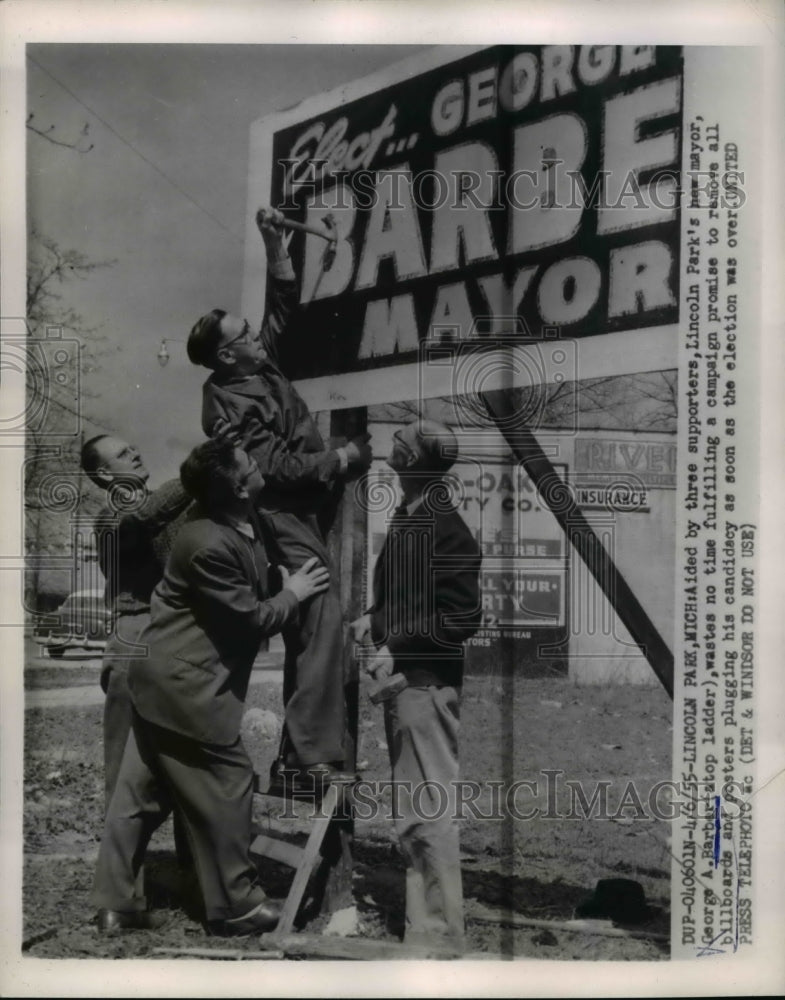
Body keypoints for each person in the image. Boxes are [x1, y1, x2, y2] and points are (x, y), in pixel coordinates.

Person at [92, 438, 330, 935]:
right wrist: (293, 593)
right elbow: (247, 616)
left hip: (157, 667)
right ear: (239, 487)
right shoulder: (171, 529)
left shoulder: (210, 525)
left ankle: (121, 903)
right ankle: (235, 905)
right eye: (246, 463)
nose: (134, 451)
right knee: (226, 782)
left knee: (137, 791)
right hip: (173, 671)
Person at [187, 207, 371, 782]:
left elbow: (282, 313)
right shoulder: (227, 401)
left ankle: (299, 755)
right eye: (244, 335)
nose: (256, 335)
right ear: (225, 355)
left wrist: (275, 246)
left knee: (316, 630)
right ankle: (310, 758)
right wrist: (339, 460)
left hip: (299, 514)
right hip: (278, 515)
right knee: (319, 618)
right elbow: (270, 467)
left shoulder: (254, 369)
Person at [350, 419, 482, 953]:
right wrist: (374, 619)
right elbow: (410, 600)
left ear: (414, 462)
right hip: (408, 682)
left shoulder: (444, 526)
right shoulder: (412, 517)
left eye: (402, 442)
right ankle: (427, 927)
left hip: (425, 685)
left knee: (426, 811)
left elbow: (463, 618)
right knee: (416, 811)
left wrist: (397, 645)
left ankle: (439, 936)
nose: (392, 446)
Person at [81, 435, 193, 808]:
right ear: (103, 473)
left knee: (186, 766)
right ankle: (122, 866)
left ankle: (191, 864)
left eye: (133, 447)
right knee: (125, 768)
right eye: (122, 454)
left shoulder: (166, 506)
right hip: (133, 634)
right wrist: (195, 473)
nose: (135, 453)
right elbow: (142, 520)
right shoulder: (109, 519)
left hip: (175, 635)